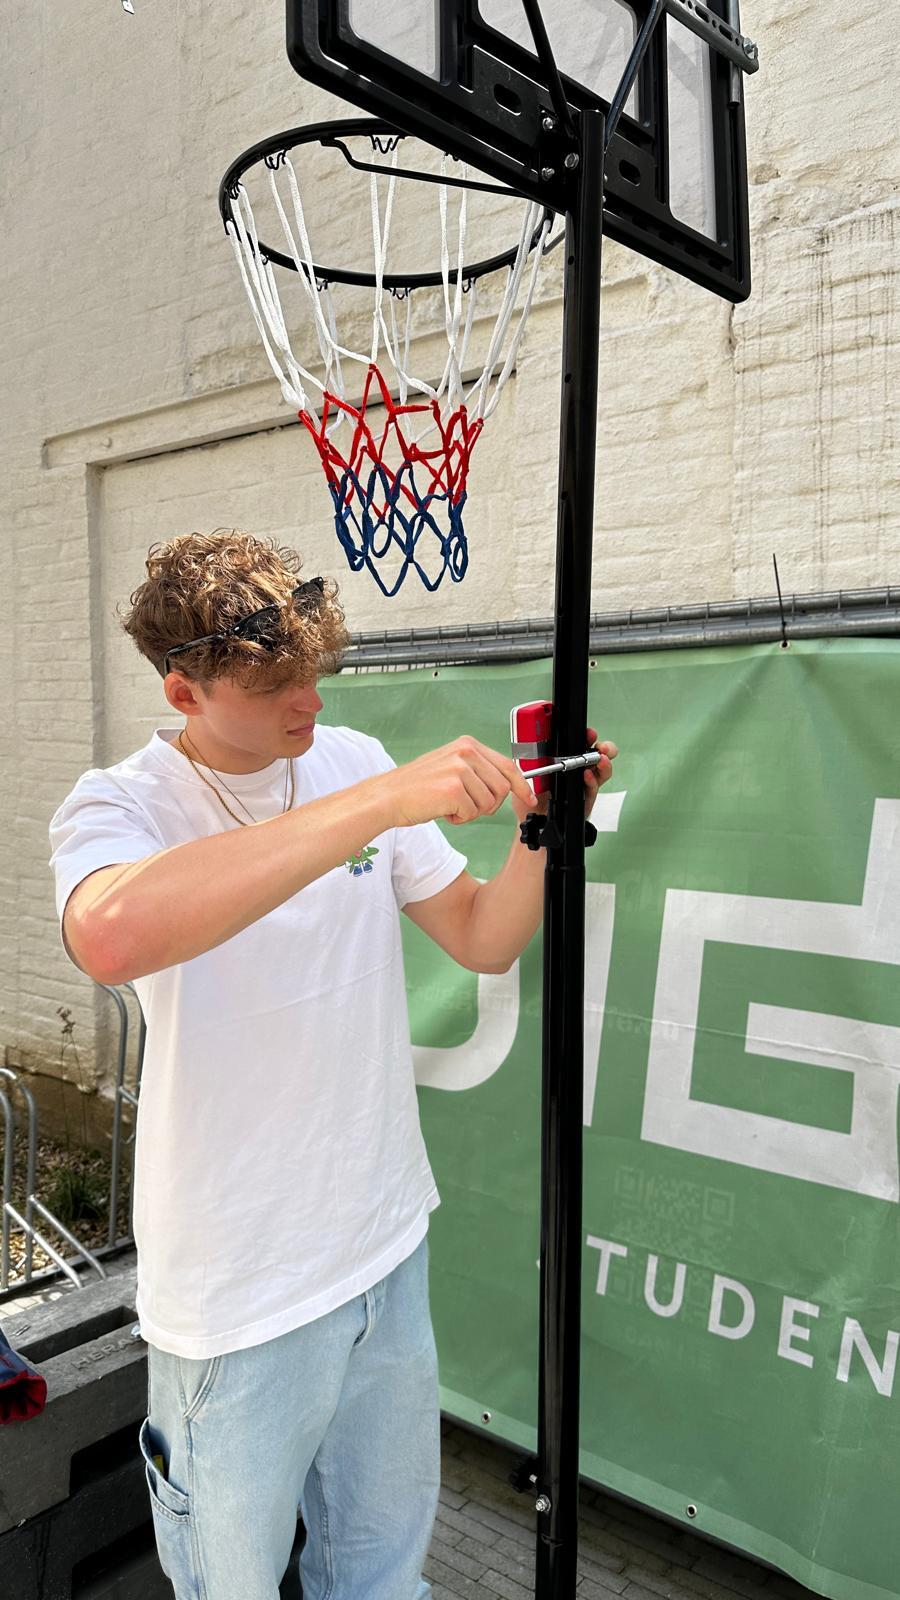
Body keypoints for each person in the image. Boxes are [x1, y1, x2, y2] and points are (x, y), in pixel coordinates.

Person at [48, 529, 617, 1600]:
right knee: (232, 1585)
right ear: (183, 689)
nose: (306, 704)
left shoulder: (348, 761)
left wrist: (546, 833)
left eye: (314, 673)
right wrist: (378, 803)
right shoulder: (117, 804)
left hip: (382, 1246)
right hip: (239, 1294)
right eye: (270, 685)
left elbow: (484, 938)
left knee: (383, 1576)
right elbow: (112, 935)